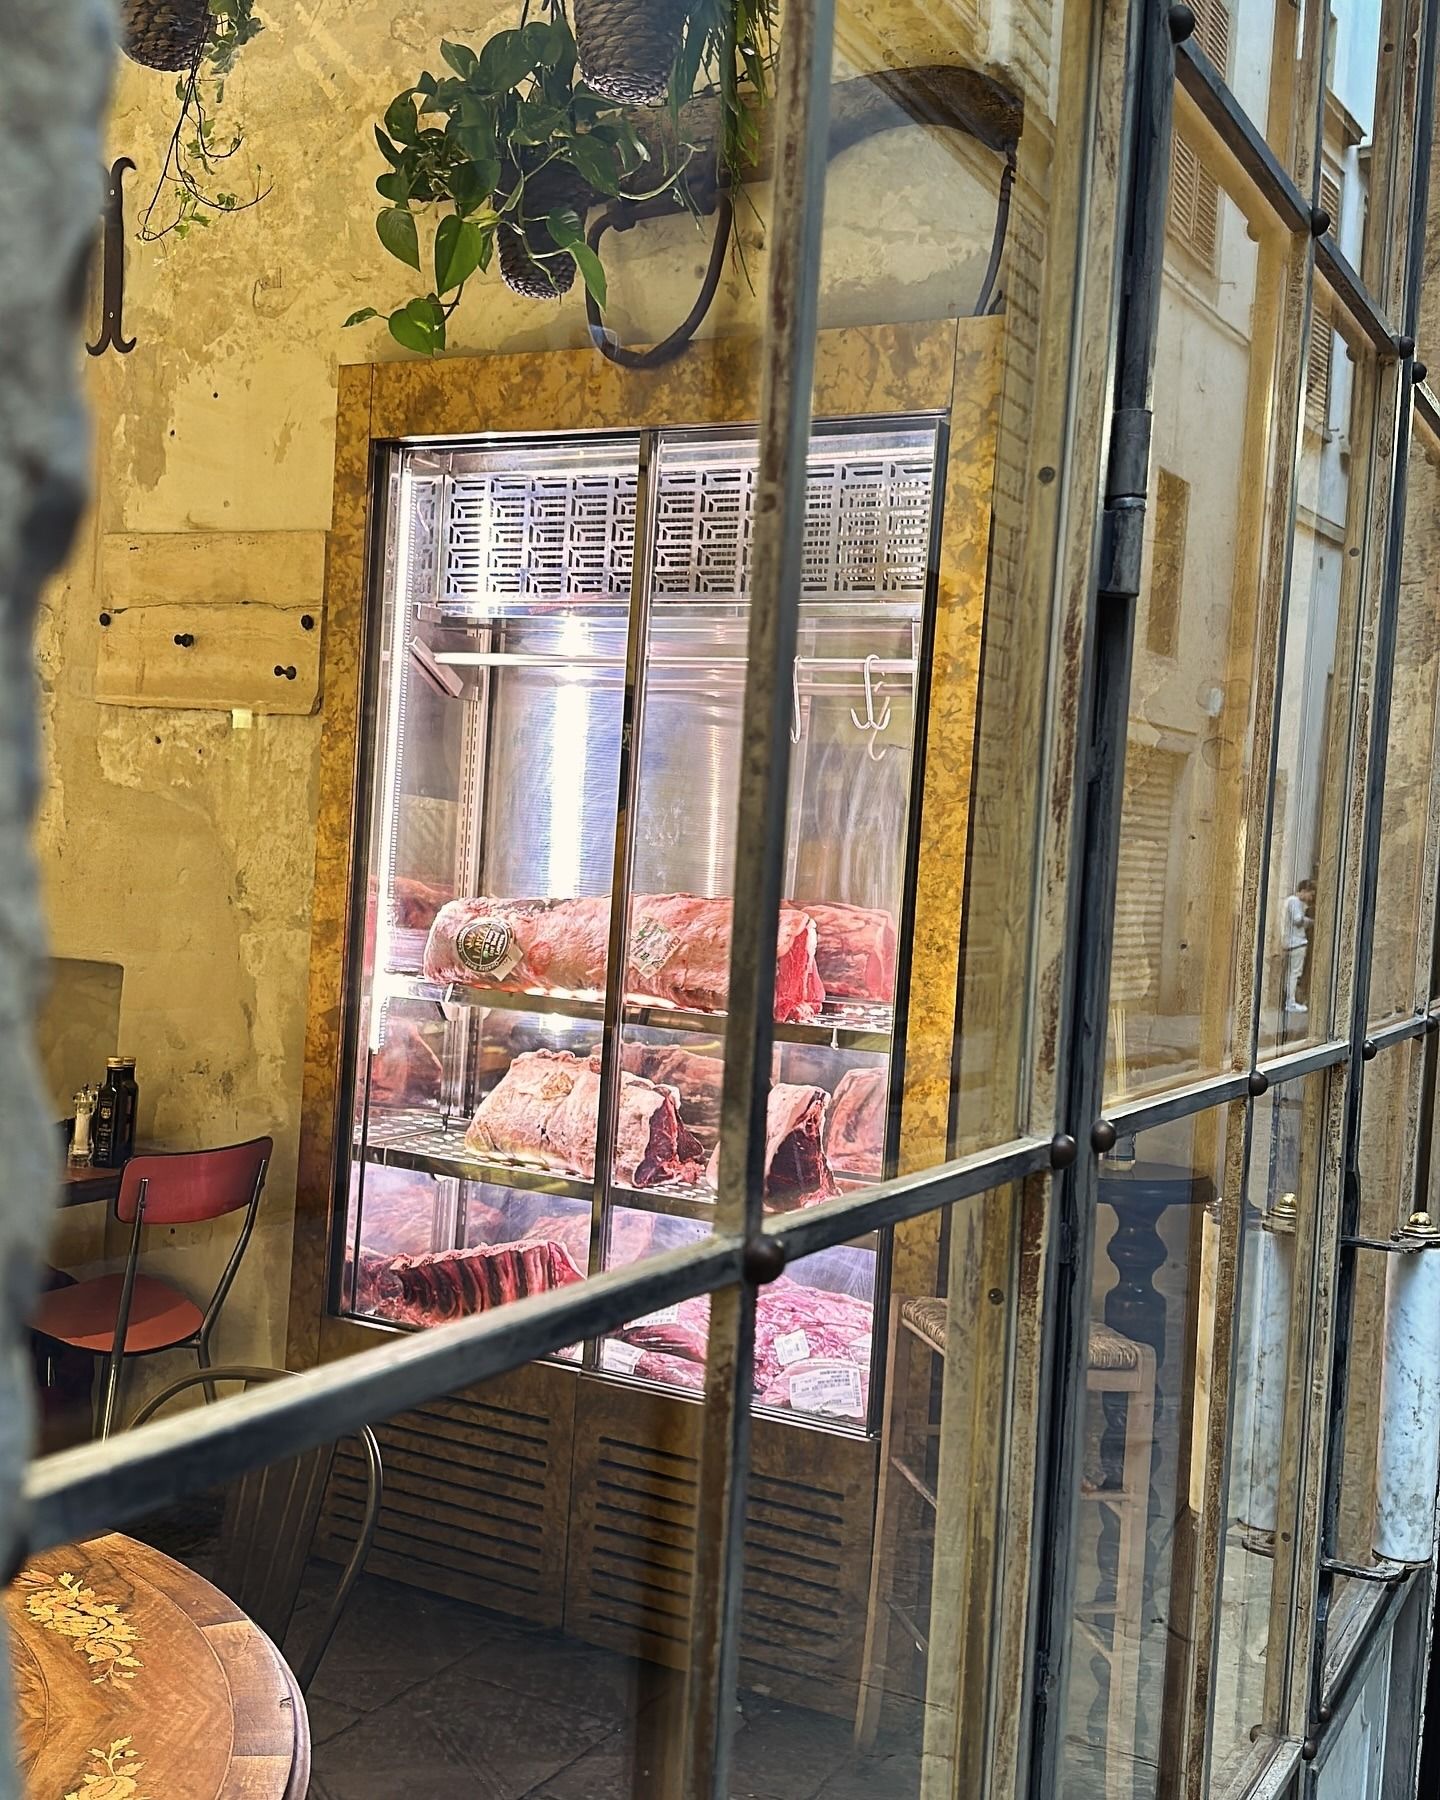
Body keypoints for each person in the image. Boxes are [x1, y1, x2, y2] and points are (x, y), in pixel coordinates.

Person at [1281, 877, 1316, 1013]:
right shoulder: (1295, 901)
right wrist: (1310, 922)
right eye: (1310, 894)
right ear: (1304, 891)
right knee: (1294, 974)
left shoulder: (1287, 901)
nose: (1310, 898)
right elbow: (1297, 920)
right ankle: (1291, 1002)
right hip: (1297, 943)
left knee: (1290, 974)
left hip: (1289, 943)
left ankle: (1289, 1000)